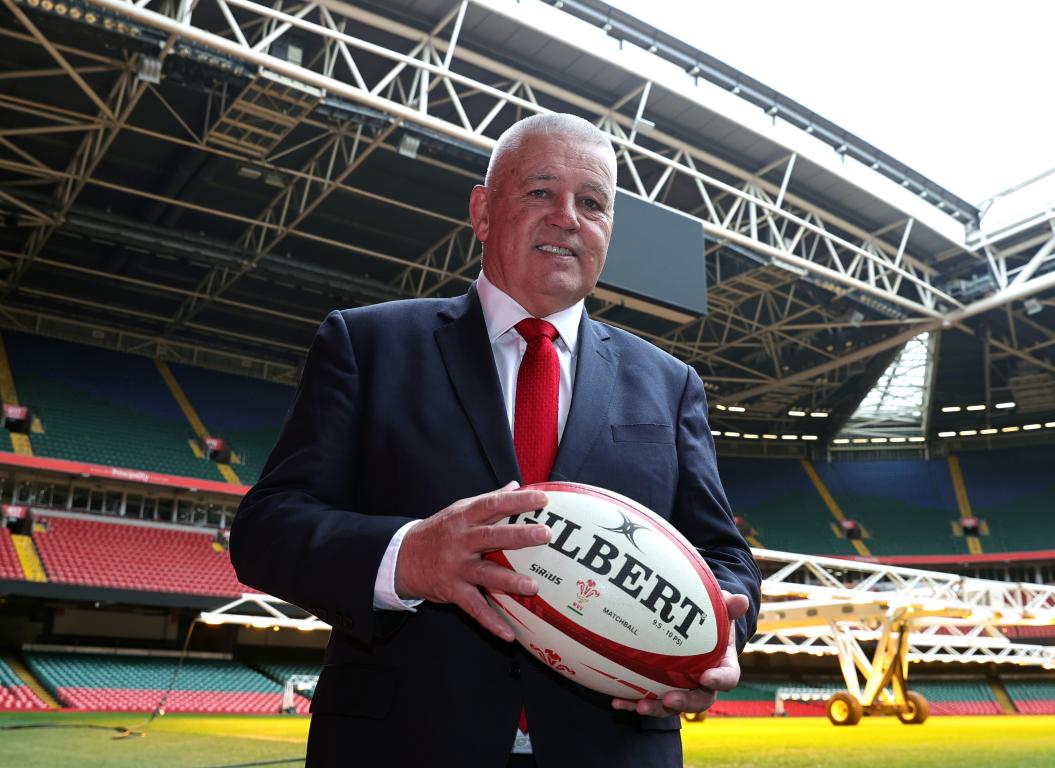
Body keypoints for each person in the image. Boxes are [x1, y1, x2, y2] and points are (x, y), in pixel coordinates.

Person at [231, 112, 761, 768]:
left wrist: (716, 637)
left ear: (608, 231)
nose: (568, 216)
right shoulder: (368, 344)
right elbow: (265, 531)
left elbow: (724, 555)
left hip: (615, 749)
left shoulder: (670, 382)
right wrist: (407, 557)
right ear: (483, 211)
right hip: (401, 747)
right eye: (541, 191)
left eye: (591, 202)